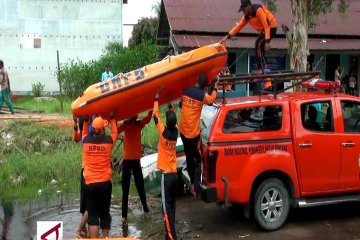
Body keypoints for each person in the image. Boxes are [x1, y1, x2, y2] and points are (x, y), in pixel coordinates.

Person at [180, 73, 217, 197]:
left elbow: (181, 104)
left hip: (183, 132)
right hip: (193, 134)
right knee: (198, 161)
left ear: (196, 80)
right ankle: (195, 187)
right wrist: (215, 88)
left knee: (189, 158)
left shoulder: (186, 90)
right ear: (205, 86)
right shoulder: (202, 95)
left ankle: (191, 182)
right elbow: (211, 100)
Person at [82, 114, 117, 238]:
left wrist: (86, 120)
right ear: (102, 129)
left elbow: (84, 133)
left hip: (90, 183)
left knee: (93, 217)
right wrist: (112, 119)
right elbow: (115, 133)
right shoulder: (108, 142)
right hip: (105, 184)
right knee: (105, 214)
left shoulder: (85, 141)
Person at [220, 0, 277, 73]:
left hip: (271, 26)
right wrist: (227, 37)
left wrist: (267, 42)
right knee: (260, 47)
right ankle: (263, 68)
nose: (243, 12)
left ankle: (260, 69)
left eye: (243, 9)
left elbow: (266, 26)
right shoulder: (247, 17)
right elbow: (238, 26)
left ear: (248, 6)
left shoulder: (258, 10)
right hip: (265, 29)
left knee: (258, 44)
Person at [117, 111, 152, 227]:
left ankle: (130, 215)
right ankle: (126, 216)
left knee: (135, 188)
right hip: (130, 161)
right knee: (131, 188)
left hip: (133, 161)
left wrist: (151, 108)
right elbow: (116, 130)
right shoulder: (131, 124)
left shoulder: (136, 124)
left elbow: (115, 130)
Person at [153, 90, 178, 240]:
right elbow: (170, 119)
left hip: (166, 177)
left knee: (166, 210)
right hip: (174, 175)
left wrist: (156, 98)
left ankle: (171, 237)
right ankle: (169, 235)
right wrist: (169, 104)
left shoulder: (163, 133)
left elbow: (156, 116)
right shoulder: (176, 132)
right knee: (172, 208)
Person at [72, 116, 88, 238]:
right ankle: (82, 227)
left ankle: (83, 227)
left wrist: (75, 123)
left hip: (85, 171)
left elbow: (75, 138)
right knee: (87, 199)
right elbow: (76, 138)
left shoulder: (85, 136)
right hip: (88, 171)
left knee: (84, 197)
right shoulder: (86, 136)